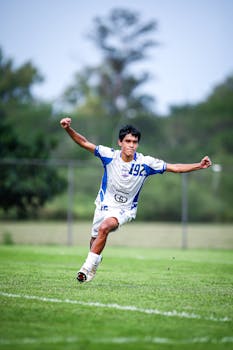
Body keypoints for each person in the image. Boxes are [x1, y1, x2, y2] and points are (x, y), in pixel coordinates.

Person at [60, 117, 212, 283]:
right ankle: (95, 262)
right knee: (95, 238)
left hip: (125, 209)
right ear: (120, 142)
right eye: (128, 141)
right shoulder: (109, 155)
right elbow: (84, 142)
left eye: (134, 141)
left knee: (105, 227)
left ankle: (86, 268)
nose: (131, 145)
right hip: (104, 204)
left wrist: (199, 165)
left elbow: (175, 168)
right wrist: (68, 129)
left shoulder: (146, 163)